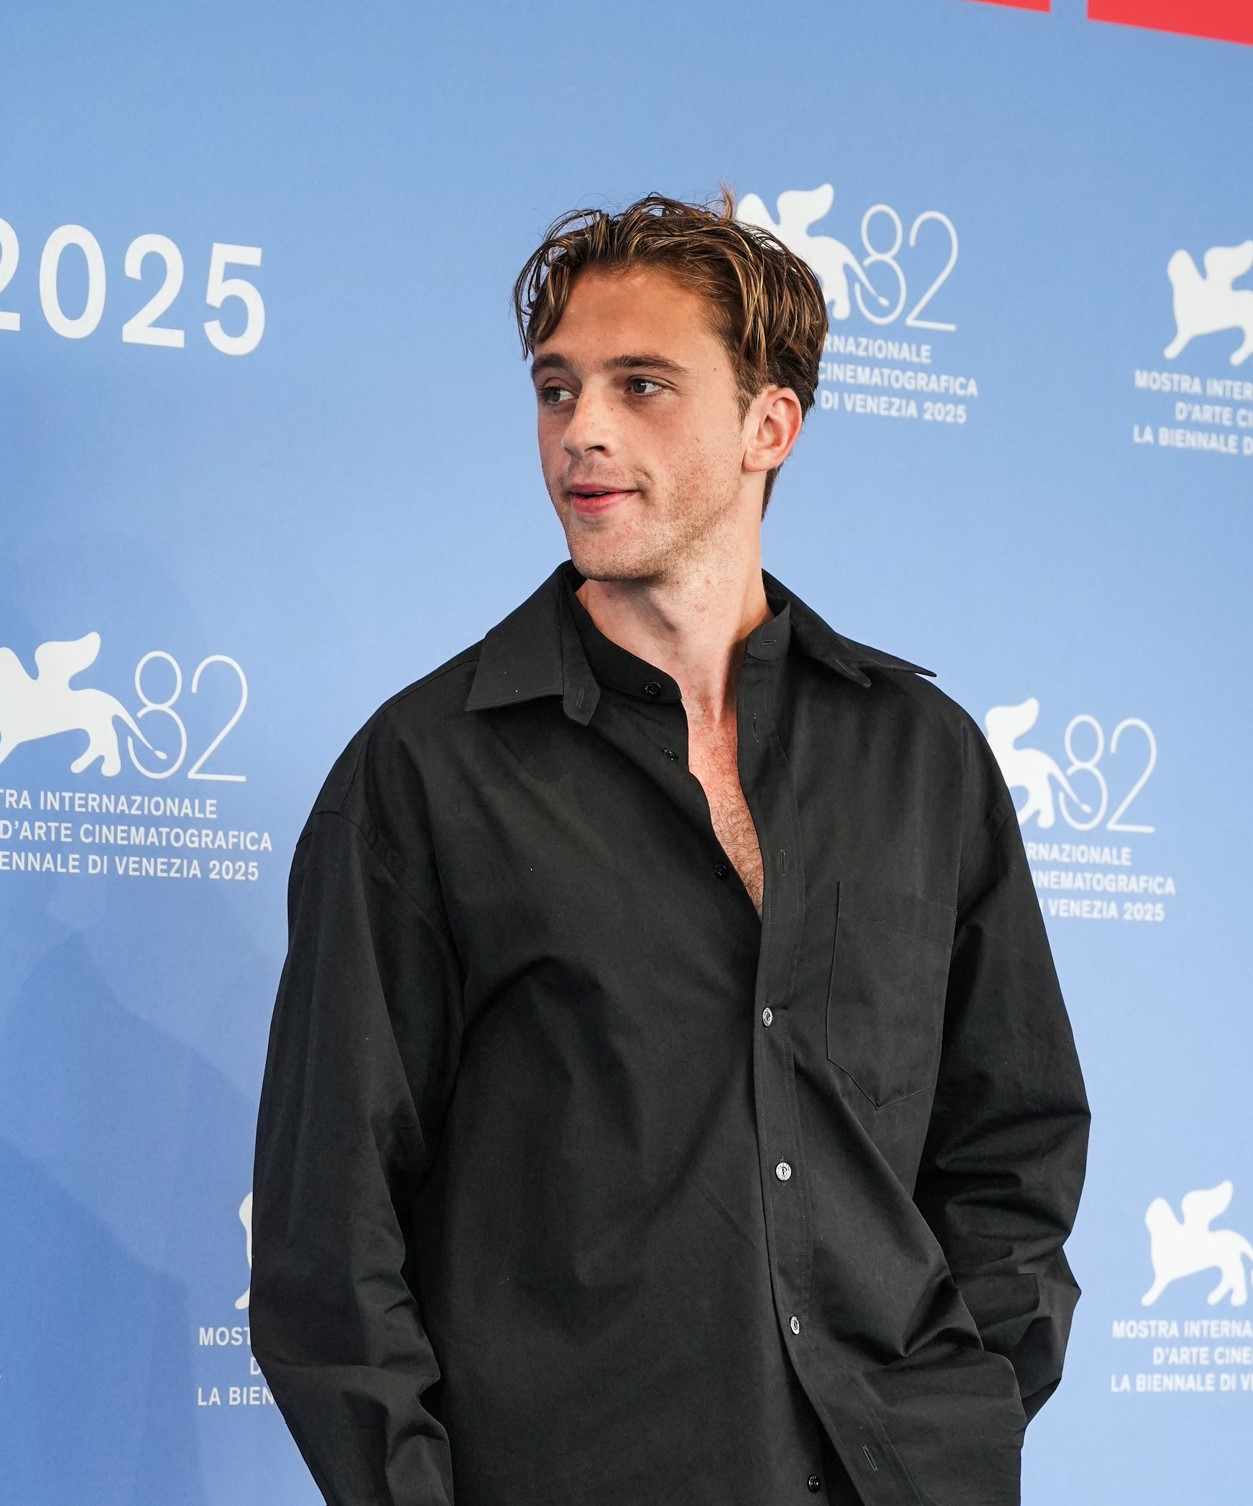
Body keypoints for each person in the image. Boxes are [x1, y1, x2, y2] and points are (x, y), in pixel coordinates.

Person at [251, 191, 1089, 1506]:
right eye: (556, 388)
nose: (581, 428)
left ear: (769, 426)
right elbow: (329, 1228)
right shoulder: (422, 773)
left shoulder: (923, 758)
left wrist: (956, 1419)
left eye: (641, 385)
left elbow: (1013, 1139)